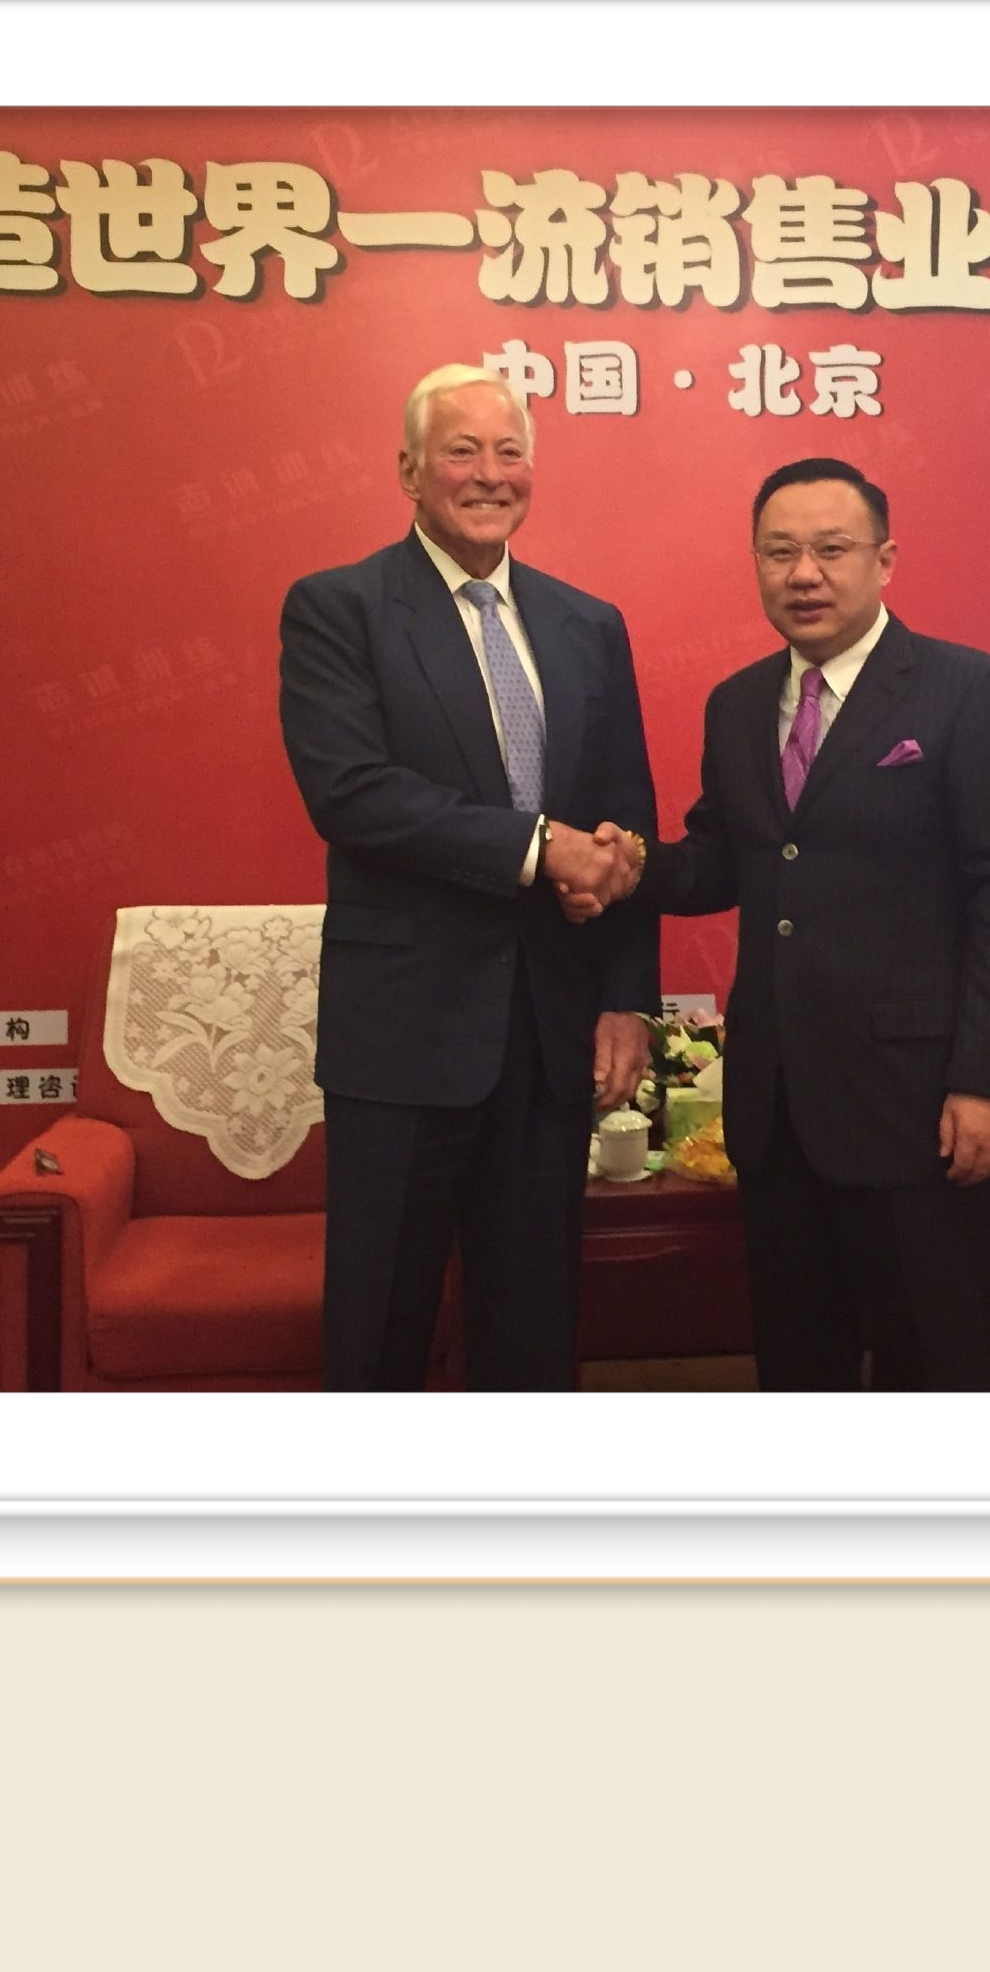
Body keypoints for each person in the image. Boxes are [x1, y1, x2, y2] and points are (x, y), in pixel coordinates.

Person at [576, 457, 990, 1391]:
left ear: (885, 560)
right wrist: (630, 863)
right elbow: (725, 858)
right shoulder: (738, 703)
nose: (805, 574)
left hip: (918, 1106)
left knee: (937, 1367)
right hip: (778, 1108)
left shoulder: (965, 689)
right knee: (799, 1367)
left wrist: (989, 1082)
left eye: (832, 550)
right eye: (780, 552)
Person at [278, 366, 657, 1389]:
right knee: (380, 1332)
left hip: (548, 1033)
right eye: (461, 451)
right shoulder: (339, 609)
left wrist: (627, 1000)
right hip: (405, 1036)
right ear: (409, 471)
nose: (490, 474)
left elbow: (625, 823)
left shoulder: (587, 623)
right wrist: (538, 847)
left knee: (533, 1334)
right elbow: (352, 793)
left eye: (509, 452)